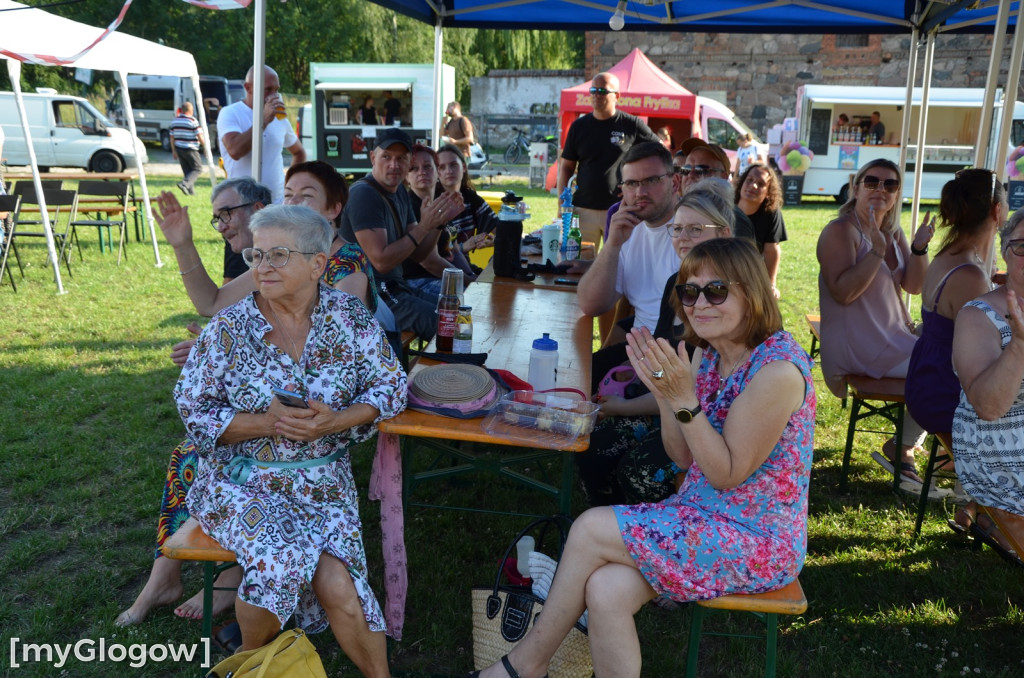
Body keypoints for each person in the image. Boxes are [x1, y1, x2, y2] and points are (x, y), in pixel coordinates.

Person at [472, 237, 815, 678]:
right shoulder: (705, 355)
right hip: (702, 513)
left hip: (756, 539)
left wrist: (682, 399)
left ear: (751, 291)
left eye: (716, 290)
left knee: (591, 528)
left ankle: (525, 666)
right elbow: (683, 458)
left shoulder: (777, 371)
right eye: (690, 292)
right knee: (605, 588)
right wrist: (665, 396)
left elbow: (726, 474)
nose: (700, 304)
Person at [175, 204, 406, 670]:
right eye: (256, 256)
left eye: (278, 255)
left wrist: (336, 420)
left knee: (341, 583)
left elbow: (392, 387)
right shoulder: (228, 329)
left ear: (318, 264)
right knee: (280, 560)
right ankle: (248, 662)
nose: (263, 267)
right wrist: (266, 421)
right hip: (243, 484)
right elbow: (193, 410)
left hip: (323, 483)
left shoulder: (349, 317)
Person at [577, 185, 735, 507]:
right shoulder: (675, 285)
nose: (682, 237)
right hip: (666, 408)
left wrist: (622, 407)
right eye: (676, 229)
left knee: (638, 472)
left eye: (695, 229)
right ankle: (608, 525)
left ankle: (635, 536)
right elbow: (664, 370)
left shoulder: (724, 297)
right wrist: (632, 376)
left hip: (709, 423)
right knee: (591, 446)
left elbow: (687, 389)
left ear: (724, 233)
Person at [817, 158, 934, 486]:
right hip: (861, 344)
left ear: (897, 194)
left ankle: (929, 446)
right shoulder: (840, 231)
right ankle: (904, 446)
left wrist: (920, 248)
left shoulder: (893, 233)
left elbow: (914, 286)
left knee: (958, 341)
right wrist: (876, 254)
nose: (880, 189)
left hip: (894, 337)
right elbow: (843, 293)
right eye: (871, 182)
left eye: (890, 184)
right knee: (944, 366)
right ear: (856, 188)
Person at [339, 127, 464, 340]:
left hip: (395, 288)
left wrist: (437, 224)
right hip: (373, 295)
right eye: (386, 157)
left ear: (408, 162)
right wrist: (425, 226)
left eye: (401, 158)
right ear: (372, 157)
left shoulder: (399, 193)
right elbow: (381, 262)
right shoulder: (363, 194)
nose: (394, 165)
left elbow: (419, 255)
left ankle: (446, 370)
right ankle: (441, 373)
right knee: (449, 326)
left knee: (459, 315)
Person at [951, 207, 1024, 565]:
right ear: (1006, 252)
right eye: (1022, 246)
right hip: (997, 452)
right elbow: (988, 406)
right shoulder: (978, 315)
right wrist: (1020, 346)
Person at [578, 142, 680, 338]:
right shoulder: (627, 230)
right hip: (637, 347)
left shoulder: (692, 230)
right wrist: (613, 245)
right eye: (631, 183)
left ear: (674, 183)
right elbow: (591, 304)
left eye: (651, 180)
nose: (640, 192)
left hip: (676, 352)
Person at [218, 65, 305, 280]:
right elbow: (235, 150)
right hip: (240, 211)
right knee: (236, 275)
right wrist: (263, 120)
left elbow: (299, 153)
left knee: (274, 272)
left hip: (275, 208)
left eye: (276, 89)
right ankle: (227, 313)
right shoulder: (231, 114)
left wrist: (289, 192)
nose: (274, 95)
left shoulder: (280, 118)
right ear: (248, 87)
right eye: (268, 89)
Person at [558, 72, 659, 251]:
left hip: (619, 209)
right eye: (593, 90)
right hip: (582, 209)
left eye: (602, 91)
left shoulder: (631, 125)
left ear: (617, 96)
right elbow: (566, 167)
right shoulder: (579, 126)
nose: (596, 95)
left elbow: (659, 153)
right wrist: (561, 206)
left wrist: (637, 184)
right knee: (578, 265)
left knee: (619, 264)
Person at [675, 138, 755, 242]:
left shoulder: (735, 221)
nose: (691, 175)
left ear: (724, 177)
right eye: (686, 170)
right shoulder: (678, 213)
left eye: (701, 170)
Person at [734, 163, 787, 296]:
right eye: (750, 180)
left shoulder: (771, 213)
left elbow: (771, 250)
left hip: (752, 272)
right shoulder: (725, 206)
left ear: (768, 193)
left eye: (761, 183)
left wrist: (770, 285)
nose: (753, 185)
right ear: (742, 182)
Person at [169, 101, 204, 196]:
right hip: (191, 149)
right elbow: (200, 136)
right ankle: (184, 184)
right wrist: (206, 147)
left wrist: (174, 151)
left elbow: (172, 138)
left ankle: (191, 192)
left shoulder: (174, 121)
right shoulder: (192, 121)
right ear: (190, 110)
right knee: (197, 169)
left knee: (187, 171)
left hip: (179, 148)